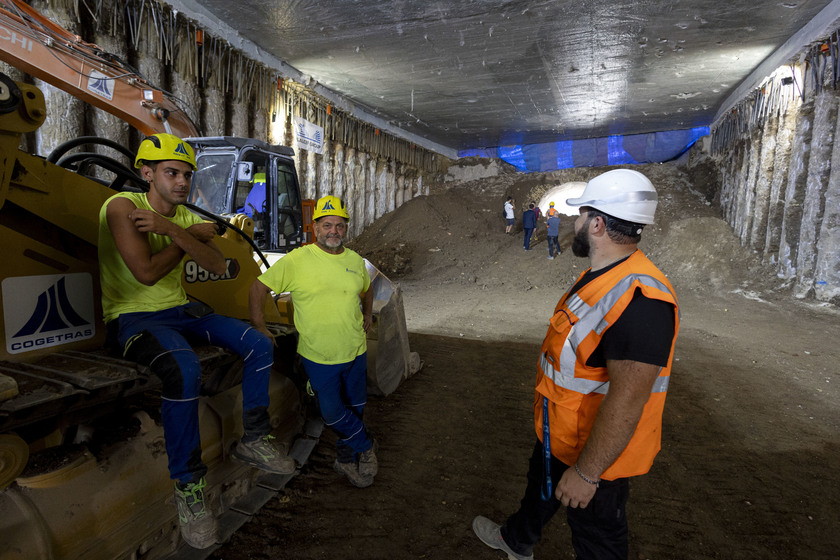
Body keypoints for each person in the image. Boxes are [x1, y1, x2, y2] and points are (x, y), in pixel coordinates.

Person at [98, 133, 296, 550]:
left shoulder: (181, 218)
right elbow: (147, 273)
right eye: (172, 173)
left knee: (260, 345)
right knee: (184, 369)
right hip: (134, 320)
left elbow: (220, 265)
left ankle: (254, 439)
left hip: (182, 310)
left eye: (187, 174)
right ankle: (188, 487)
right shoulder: (121, 207)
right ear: (147, 173)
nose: (183, 182)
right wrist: (188, 237)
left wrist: (171, 229)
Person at [473, 169, 679, 560]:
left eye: (580, 215)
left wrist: (587, 474)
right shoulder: (603, 276)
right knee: (542, 487)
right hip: (562, 432)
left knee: (597, 538)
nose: (574, 221)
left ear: (598, 224)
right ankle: (517, 540)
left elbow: (628, 401)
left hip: (597, 455)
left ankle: (528, 533)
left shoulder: (641, 301)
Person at [249, 195, 378, 488]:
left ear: (346, 228)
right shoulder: (297, 261)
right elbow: (258, 287)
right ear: (314, 227)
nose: (334, 231)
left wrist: (368, 314)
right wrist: (259, 327)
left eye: (340, 226)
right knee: (333, 413)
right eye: (327, 225)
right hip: (320, 358)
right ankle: (367, 445)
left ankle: (346, 461)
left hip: (355, 351)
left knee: (355, 408)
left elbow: (367, 289)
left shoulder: (356, 261)